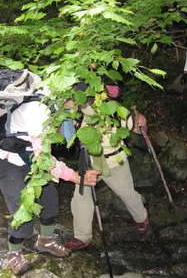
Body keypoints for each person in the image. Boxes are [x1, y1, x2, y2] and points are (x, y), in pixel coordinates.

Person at [0, 82, 100, 275]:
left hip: (30, 154)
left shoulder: (56, 102)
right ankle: (14, 253)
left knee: (49, 199)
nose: (77, 109)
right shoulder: (39, 110)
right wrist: (75, 177)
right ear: (69, 98)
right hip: (8, 159)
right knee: (23, 209)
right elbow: (45, 159)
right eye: (78, 105)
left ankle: (46, 240)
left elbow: (48, 143)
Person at [64, 86, 150, 251]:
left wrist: (140, 122)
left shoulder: (115, 110)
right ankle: (82, 237)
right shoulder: (74, 111)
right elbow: (64, 131)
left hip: (115, 160)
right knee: (81, 196)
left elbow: (137, 128)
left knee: (127, 193)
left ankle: (142, 218)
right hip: (88, 162)